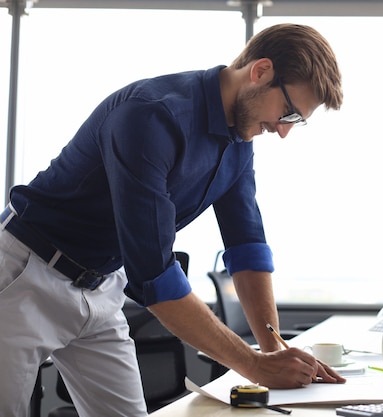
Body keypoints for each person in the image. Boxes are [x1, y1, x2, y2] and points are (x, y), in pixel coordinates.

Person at [0, 23, 344, 416]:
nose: (283, 132)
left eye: (296, 121)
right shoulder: (152, 115)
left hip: (100, 286)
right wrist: (254, 366)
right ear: (261, 71)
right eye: (289, 113)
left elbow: (246, 247)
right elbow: (154, 275)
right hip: (25, 275)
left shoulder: (239, 142)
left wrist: (274, 348)